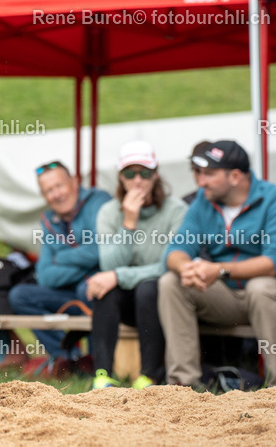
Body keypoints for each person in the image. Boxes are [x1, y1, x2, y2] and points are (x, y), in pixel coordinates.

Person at [158, 140, 276, 388]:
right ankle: (183, 385)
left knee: (261, 287)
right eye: (198, 173)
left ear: (235, 176)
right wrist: (185, 267)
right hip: (233, 297)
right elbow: (175, 251)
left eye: (209, 174)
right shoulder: (203, 201)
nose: (200, 181)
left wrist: (219, 270)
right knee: (172, 282)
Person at [87, 141, 186, 390]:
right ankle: (102, 374)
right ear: (120, 178)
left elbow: (170, 266)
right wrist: (129, 223)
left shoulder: (177, 211)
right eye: (130, 174)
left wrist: (118, 276)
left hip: (163, 298)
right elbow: (108, 263)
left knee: (149, 286)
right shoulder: (109, 212)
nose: (138, 181)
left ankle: (149, 375)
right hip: (126, 301)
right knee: (103, 287)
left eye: (145, 173)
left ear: (156, 175)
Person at [9, 161, 111, 376]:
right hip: (69, 292)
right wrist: (86, 262)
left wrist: (62, 257)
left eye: (59, 186)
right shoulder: (49, 220)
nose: (56, 194)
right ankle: (70, 358)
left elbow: (102, 251)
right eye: (48, 190)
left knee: (89, 288)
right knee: (20, 295)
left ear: (74, 182)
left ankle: (97, 362)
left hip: (104, 290)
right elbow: (45, 275)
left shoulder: (99, 202)